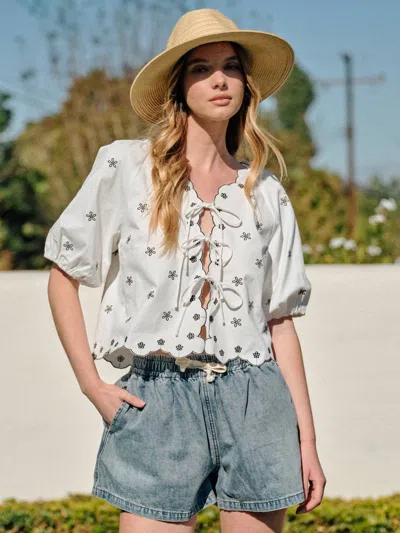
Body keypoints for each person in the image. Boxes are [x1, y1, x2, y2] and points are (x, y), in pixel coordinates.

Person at [44, 7, 326, 533]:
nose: (220, 79)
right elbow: (63, 275)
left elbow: (280, 323)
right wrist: (91, 384)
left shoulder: (266, 193)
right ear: (179, 86)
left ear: (246, 85)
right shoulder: (125, 167)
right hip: (159, 397)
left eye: (231, 67)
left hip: (256, 399)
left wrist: (306, 442)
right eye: (201, 68)